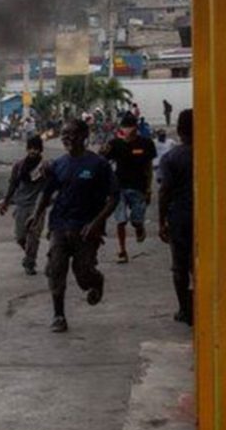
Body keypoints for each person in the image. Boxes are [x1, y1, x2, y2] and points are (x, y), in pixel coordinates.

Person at [29, 118, 119, 333]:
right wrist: (36, 215)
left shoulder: (98, 165)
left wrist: (97, 224)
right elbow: (47, 192)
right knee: (55, 269)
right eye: (63, 134)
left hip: (86, 229)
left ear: (84, 136)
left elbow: (114, 197)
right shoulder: (58, 164)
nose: (66, 138)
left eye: (71, 134)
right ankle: (58, 315)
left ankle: (96, 281)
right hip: (60, 225)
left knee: (83, 273)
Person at [157, 109, 194, 324]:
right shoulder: (211, 151)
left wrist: (161, 222)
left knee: (180, 265)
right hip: (205, 217)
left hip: (180, 217)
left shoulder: (171, 158)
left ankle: (184, 310)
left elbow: (164, 192)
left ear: (179, 131)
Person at [104, 112, 156, 264]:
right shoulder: (115, 144)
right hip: (119, 187)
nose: (128, 130)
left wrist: (148, 188)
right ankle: (122, 250)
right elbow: (103, 162)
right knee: (121, 220)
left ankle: (139, 227)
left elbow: (149, 167)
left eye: (130, 126)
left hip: (138, 187)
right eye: (125, 127)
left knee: (136, 219)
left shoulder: (146, 144)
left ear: (136, 127)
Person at [0, 135, 48, 276]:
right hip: (21, 204)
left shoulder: (44, 166)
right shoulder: (19, 166)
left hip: (37, 205)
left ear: (40, 150)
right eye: (31, 148)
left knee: (34, 235)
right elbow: (13, 184)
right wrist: (6, 202)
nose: (33, 151)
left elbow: (50, 186)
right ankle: (29, 253)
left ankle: (30, 262)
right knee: (20, 237)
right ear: (27, 149)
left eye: (36, 149)